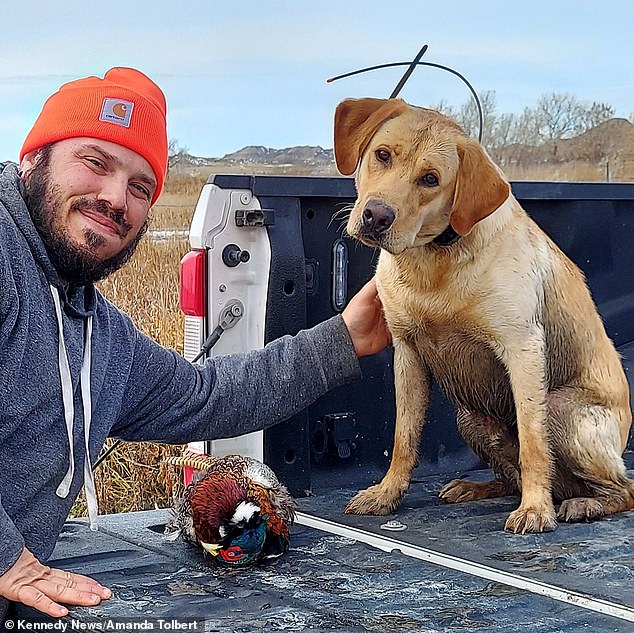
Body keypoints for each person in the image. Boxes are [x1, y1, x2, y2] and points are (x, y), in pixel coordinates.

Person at [0, 68, 391, 620]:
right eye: (95, 162)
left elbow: (206, 395)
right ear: (34, 159)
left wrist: (344, 340)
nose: (115, 199)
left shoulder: (96, 333)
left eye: (140, 187)